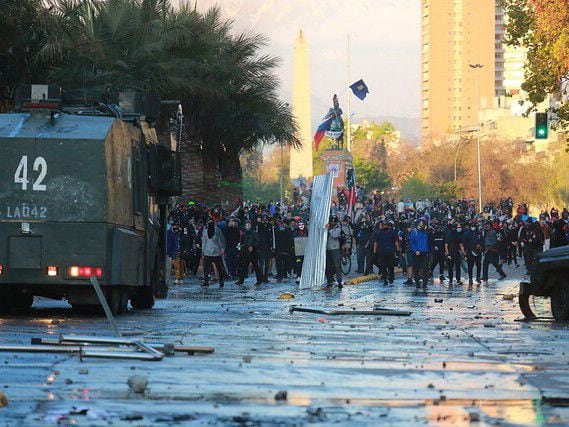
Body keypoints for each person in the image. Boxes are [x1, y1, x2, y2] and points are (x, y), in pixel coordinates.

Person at [236, 220, 263, 286]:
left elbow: (258, 242)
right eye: (246, 225)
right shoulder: (243, 235)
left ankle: (259, 280)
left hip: (254, 253)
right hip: (246, 253)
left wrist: (252, 246)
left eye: (248, 225)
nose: (247, 227)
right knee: (244, 267)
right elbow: (242, 243)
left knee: (256, 267)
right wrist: (244, 247)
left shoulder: (254, 233)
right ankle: (241, 280)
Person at [373, 220, 400, 285]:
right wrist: (398, 250)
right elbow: (396, 243)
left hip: (382, 252)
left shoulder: (379, 233)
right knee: (390, 266)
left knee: (383, 266)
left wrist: (375, 252)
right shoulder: (393, 233)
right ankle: (390, 278)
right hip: (390, 252)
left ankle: (385, 279)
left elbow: (375, 243)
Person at [201, 218, 226, 288]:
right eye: (209, 223)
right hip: (207, 252)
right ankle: (206, 282)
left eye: (211, 223)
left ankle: (221, 281)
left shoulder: (218, 231)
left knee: (219, 268)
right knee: (206, 268)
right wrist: (203, 252)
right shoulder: (205, 232)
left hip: (216, 253)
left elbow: (222, 240)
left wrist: (222, 248)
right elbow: (204, 242)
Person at [410, 218, 431, 288]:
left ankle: (425, 284)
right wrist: (415, 250)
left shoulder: (426, 232)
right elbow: (412, 242)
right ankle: (417, 284)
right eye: (421, 223)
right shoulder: (414, 231)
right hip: (417, 253)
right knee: (416, 269)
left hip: (425, 253)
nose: (422, 224)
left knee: (425, 269)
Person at [325, 216, 344, 288]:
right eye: (331, 221)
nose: (332, 223)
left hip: (335, 249)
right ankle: (329, 281)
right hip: (327, 249)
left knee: (337, 266)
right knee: (328, 267)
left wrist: (329, 229)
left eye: (334, 221)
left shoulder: (338, 228)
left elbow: (335, 235)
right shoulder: (327, 227)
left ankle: (339, 282)